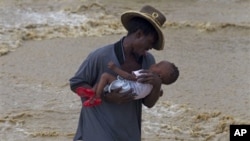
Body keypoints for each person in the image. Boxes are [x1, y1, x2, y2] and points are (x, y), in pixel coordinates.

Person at [70, 5, 168, 141]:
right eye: (150, 43)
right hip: (96, 132)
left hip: (129, 134)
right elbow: (76, 84)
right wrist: (105, 96)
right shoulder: (101, 56)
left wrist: (157, 85)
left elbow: (148, 103)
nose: (150, 48)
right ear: (139, 34)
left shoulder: (149, 61)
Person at [79, 60, 179, 107]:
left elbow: (129, 77)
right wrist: (159, 90)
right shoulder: (154, 85)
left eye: (157, 65)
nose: (153, 64)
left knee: (105, 76)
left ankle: (96, 96)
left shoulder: (145, 74)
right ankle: (92, 93)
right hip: (131, 93)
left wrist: (115, 68)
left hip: (127, 88)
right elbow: (158, 93)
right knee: (103, 83)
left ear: (159, 76)